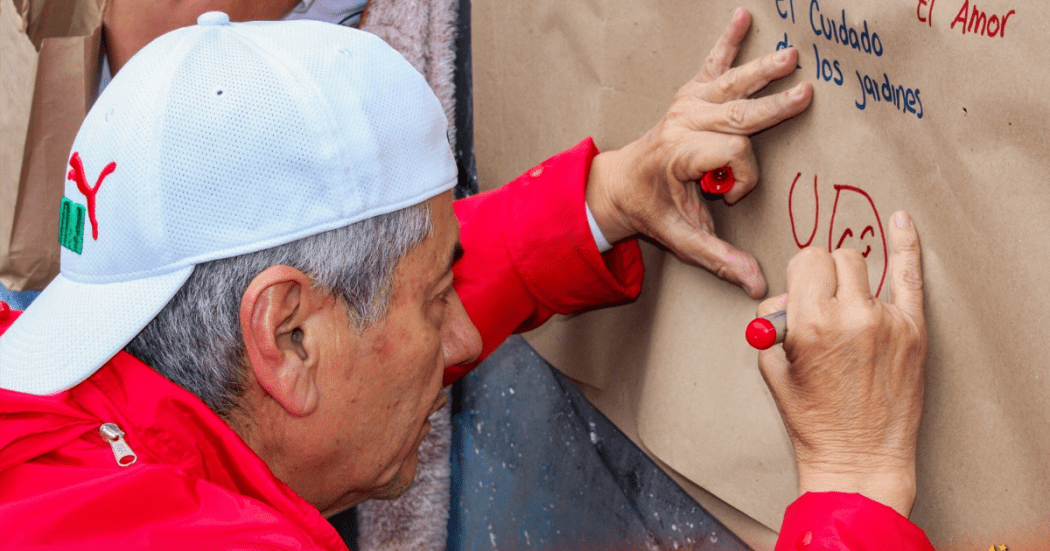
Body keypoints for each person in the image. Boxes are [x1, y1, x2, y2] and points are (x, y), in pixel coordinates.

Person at [0, 11, 931, 551]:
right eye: (437, 298)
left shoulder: (42, 381)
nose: (462, 343)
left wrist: (600, 198)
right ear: (283, 334)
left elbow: (353, 316)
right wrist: (854, 486)